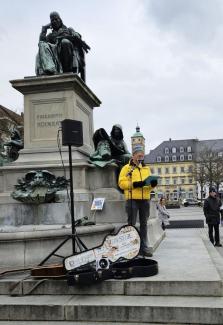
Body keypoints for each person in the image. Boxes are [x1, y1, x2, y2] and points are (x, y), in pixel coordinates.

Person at [118, 145, 157, 257]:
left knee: (144, 224)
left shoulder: (146, 169)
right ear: (133, 155)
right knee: (131, 224)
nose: (141, 157)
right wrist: (134, 184)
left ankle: (144, 247)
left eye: (142, 155)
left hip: (145, 199)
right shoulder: (127, 168)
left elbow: (149, 186)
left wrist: (152, 185)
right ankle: (131, 248)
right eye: (139, 155)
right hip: (132, 199)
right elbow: (121, 183)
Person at [35, 12, 90, 81]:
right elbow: (41, 43)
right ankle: (49, 69)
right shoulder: (50, 36)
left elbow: (77, 35)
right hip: (54, 54)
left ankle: (67, 71)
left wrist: (75, 34)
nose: (54, 21)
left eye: (56, 19)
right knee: (42, 45)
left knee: (65, 42)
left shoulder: (68, 30)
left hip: (66, 51)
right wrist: (44, 29)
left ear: (60, 20)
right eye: (52, 20)